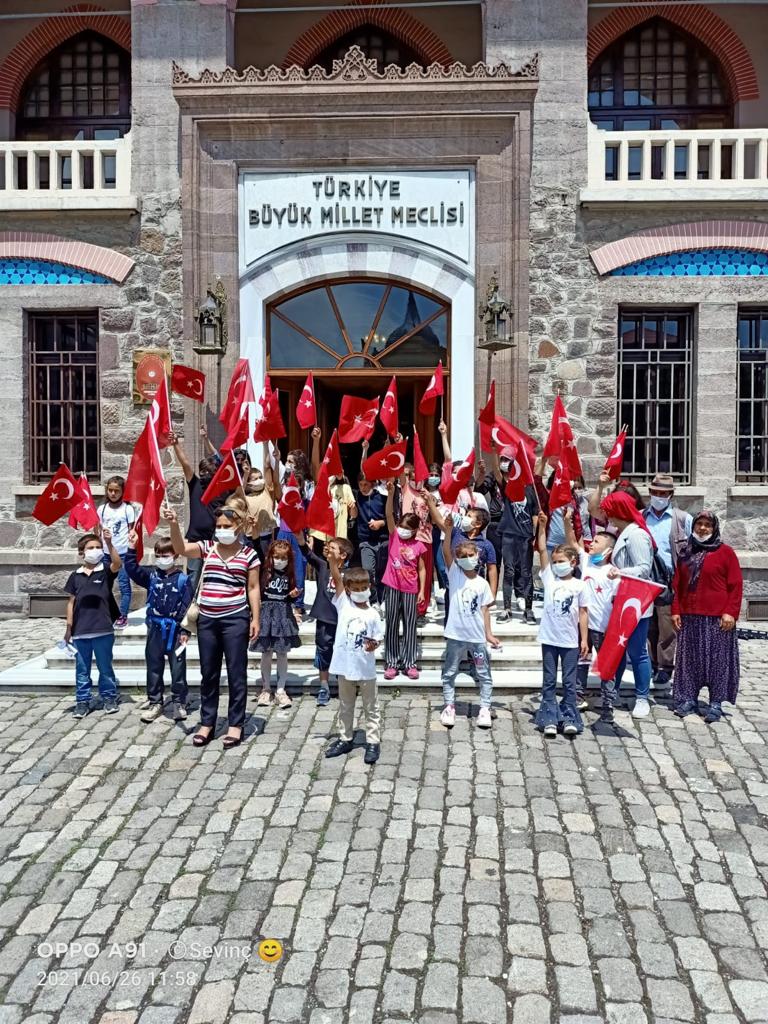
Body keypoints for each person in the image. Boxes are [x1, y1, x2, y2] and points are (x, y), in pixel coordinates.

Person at [167, 505, 260, 748]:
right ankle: (207, 722)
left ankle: (235, 724)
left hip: (235, 619)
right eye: (218, 526)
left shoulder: (249, 555)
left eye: (226, 526)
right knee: (208, 672)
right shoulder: (208, 548)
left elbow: (253, 588)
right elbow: (180, 548)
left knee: (236, 673)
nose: (221, 530)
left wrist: (256, 618)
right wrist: (174, 524)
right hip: (207, 619)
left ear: (238, 527)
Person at [671, 511, 742, 723]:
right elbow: (678, 585)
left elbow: (736, 585)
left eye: (707, 525)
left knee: (718, 661)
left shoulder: (725, 553)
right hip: (690, 616)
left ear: (714, 528)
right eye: (699, 524)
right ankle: (688, 699)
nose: (702, 529)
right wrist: (675, 610)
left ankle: (716, 702)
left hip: (717, 618)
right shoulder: (686, 552)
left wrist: (730, 612)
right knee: (689, 660)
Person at [124, 529, 193, 723]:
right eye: (158, 555)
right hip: (155, 628)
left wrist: (185, 630)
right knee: (154, 667)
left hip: (176, 630)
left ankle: (179, 701)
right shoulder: (151, 576)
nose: (162, 559)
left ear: (175, 555)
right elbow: (131, 569)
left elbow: (187, 606)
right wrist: (131, 547)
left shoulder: (183, 580)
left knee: (178, 668)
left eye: (166, 555)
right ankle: (155, 701)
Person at [323, 554, 384, 764]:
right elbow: (337, 579)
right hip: (345, 666)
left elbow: (378, 638)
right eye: (355, 589)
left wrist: (373, 644)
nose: (360, 592)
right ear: (348, 590)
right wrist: (332, 561)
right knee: (345, 704)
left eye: (363, 587)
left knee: (371, 706)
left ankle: (373, 741)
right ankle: (345, 737)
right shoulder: (344, 605)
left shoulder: (374, 614)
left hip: (365, 668)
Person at [600, 490, 656, 718]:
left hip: (635, 603)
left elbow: (644, 567)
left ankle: (642, 697)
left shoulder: (636, 535)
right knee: (619, 650)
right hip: (622, 600)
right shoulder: (624, 532)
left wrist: (619, 571)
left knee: (637, 651)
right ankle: (614, 693)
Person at [439, 527, 501, 730]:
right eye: (463, 556)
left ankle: (485, 706)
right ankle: (449, 705)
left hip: (476, 638)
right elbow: (446, 551)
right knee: (449, 672)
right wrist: (447, 531)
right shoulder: (455, 574)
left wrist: (489, 634)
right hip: (455, 635)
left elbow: (484, 611)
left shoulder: (482, 584)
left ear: (478, 556)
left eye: (470, 555)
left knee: (484, 673)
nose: (467, 559)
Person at [533, 513, 588, 738]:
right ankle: (548, 718)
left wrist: (583, 639)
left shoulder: (579, 585)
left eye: (561, 562)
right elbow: (543, 550)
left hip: (569, 641)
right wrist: (542, 528)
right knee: (548, 680)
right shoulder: (549, 580)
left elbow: (583, 613)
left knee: (569, 681)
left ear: (573, 563)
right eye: (555, 563)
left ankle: (568, 717)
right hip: (549, 638)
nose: (557, 565)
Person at [564, 512, 619, 721]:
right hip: (583, 625)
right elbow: (572, 542)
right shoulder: (586, 561)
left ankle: (608, 704)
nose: (592, 544)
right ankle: (578, 696)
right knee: (581, 661)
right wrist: (566, 522)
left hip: (603, 627)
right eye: (592, 540)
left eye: (596, 542)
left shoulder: (612, 572)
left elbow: (616, 601)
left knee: (606, 666)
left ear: (608, 550)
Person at [64, 529, 122, 719]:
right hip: (81, 632)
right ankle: (82, 701)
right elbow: (71, 602)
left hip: (103, 629)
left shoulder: (104, 571)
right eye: (90, 548)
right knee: (82, 670)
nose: (95, 550)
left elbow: (117, 563)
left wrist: (109, 543)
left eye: (97, 547)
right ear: (82, 552)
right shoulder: (75, 576)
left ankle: (109, 697)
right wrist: (68, 628)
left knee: (105, 668)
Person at [642, 473, 692, 691]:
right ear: (650, 493)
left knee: (667, 625)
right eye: (656, 493)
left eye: (664, 494)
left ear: (671, 495)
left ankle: (665, 666)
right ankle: (652, 662)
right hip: (646, 578)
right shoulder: (641, 516)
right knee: (649, 624)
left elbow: (692, 550)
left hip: (670, 579)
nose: (659, 497)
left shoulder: (682, 519)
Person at [297, 535, 354, 707]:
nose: (329, 549)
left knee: (343, 650)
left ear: (343, 555)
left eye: (334, 548)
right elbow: (307, 554)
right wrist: (300, 538)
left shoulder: (351, 574)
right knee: (323, 650)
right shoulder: (323, 567)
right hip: (324, 617)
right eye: (328, 547)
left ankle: (344, 684)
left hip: (342, 620)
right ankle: (324, 685)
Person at [383, 479, 427, 680]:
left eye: (407, 528)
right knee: (391, 623)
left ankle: (409, 662)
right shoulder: (395, 537)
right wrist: (391, 494)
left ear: (415, 530)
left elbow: (422, 569)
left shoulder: (418, 545)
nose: (402, 529)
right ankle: (392, 662)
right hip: (392, 586)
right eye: (401, 526)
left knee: (410, 624)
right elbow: (388, 515)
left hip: (410, 588)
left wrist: (421, 591)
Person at [171, 429, 224, 593]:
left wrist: (206, 440)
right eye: (203, 471)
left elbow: (222, 463)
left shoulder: (223, 489)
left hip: (216, 540)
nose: (205, 474)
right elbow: (185, 464)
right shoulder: (195, 484)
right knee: (193, 577)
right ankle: (188, 610)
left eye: (209, 472)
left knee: (215, 575)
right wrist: (176, 445)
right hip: (195, 539)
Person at [490, 448, 538, 625]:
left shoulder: (530, 490)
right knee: (508, 571)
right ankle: (507, 609)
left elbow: (534, 513)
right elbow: (496, 472)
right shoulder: (508, 487)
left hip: (525, 537)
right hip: (509, 535)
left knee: (526, 573)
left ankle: (528, 610)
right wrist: (495, 451)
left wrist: (535, 531)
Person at [253, 539, 302, 708]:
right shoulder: (264, 571)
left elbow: (289, 595)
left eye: (284, 558)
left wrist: (293, 595)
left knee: (282, 653)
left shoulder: (290, 574)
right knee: (266, 652)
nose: (280, 561)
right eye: (276, 557)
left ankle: (281, 689)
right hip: (266, 614)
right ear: (270, 557)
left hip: (283, 615)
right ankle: (266, 688)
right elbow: (257, 547)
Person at [96, 475, 136, 628]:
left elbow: (132, 529)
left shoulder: (127, 509)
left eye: (116, 491)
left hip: (123, 553)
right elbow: (98, 529)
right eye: (110, 490)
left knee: (124, 585)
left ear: (122, 492)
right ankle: (109, 614)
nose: (113, 494)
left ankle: (123, 616)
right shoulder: (102, 509)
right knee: (104, 585)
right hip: (106, 553)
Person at [309, 427, 357, 554]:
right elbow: (314, 466)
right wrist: (316, 441)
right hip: (321, 537)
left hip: (339, 539)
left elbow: (354, 515)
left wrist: (352, 507)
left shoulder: (345, 488)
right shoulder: (321, 488)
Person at [354, 466, 389, 607]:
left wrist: (381, 523)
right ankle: (374, 600)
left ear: (373, 483)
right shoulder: (356, 496)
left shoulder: (382, 497)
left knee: (383, 572)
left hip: (384, 540)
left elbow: (392, 517)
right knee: (369, 571)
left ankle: (384, 599)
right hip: (366, 541)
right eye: (360, 484)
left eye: (366, 484)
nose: (363, 487)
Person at [243, 460, 279, 562]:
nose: (259, 480)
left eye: (260, 477)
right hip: (249, 538)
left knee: (265, 565)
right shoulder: (244, 497)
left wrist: (265, 445)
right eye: (255, 479)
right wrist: (245, 475)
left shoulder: (266, 491)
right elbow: (240, 490)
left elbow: (267, 467)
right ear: (249, 482)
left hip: (265, 537)